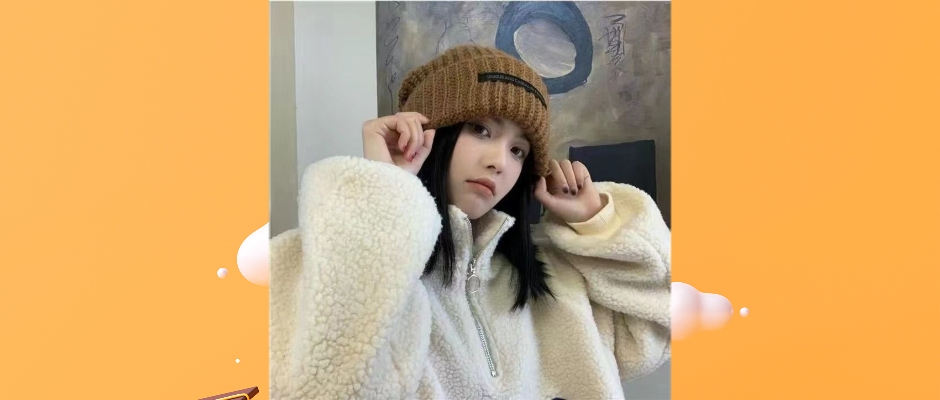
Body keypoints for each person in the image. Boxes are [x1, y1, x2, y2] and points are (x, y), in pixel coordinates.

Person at [270, 45, 671, 400]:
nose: (499, 162)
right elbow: (323, 385)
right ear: (430, 133)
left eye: (518, 150)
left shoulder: (557, 283)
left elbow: (655, 331)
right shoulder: (315, 263)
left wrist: (598, 223)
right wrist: (385, 190)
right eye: (480, 129)